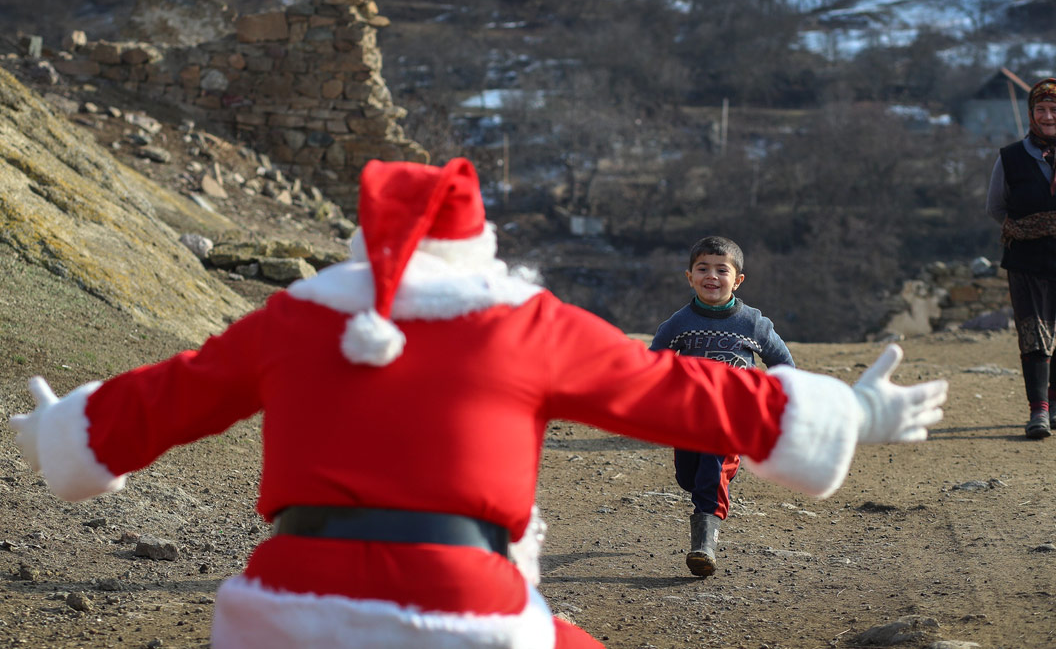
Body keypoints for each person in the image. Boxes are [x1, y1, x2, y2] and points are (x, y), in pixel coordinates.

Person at [11, 157, 947, 649]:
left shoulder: (293, 322)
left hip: (286, 605)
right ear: (477, 249)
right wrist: (851, 415)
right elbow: (682, 394)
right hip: (465, 603)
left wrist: (63, 432)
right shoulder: (522, 323)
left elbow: (168, 395)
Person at [650, 235, 795, 577]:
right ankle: (708, 488)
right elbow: (653, 362)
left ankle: (703, 546)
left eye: (721, 269)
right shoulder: (679, 323)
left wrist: (782, 401)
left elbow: (782, 362)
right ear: (689, 276)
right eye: (703, 269)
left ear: (738, 279)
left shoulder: (753, 324)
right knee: (689, 476)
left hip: (732, 417)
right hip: (689, 416)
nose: (711, 276)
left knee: (710, 474)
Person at [985, 77, 1056, 440]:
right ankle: (1038, 410)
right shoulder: (1011, 157)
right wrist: (1029, 228)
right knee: (1033, 333)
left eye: (1055, 109)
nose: (1048, 116)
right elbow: (996, 206)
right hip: (1027, 260)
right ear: (1031, 114)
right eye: (1040, 110)